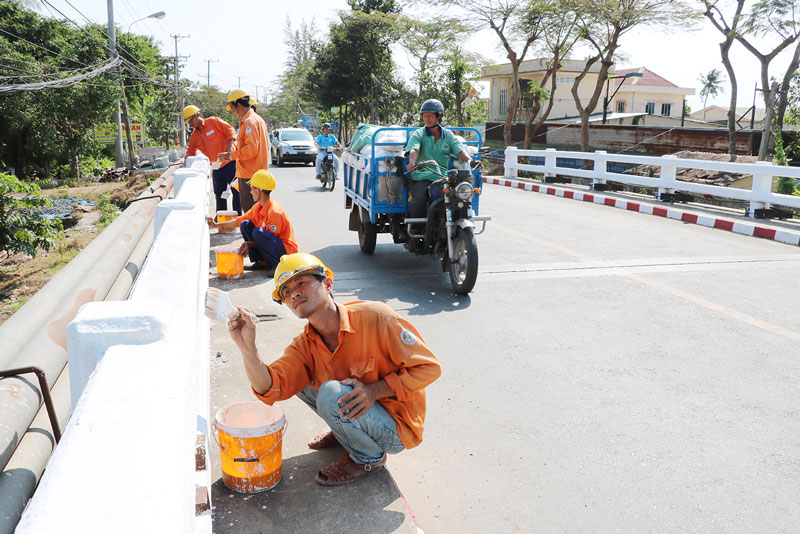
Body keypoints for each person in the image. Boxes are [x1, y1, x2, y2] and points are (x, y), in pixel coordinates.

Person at [226, 252, 441, 486]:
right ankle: (345, 432)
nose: (294, 293)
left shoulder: (376, 317)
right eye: (286, 292)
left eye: (301, 283)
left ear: (327, 283)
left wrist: (374, 391)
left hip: (396, 427)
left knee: (330, 392)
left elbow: (429, 367)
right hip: (362, 411)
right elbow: (269, 386)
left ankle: (367, 458)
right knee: (297, 380)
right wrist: (248, 349)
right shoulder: (305, 345)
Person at [404, 99, 471, 249]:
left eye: (430, 116)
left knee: (456, 198)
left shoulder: (448, 135)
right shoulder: (419, 134)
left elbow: (460, 151)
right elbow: (413, 150)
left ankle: (453, 228)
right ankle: (414, 234)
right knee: (420, 198)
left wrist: (470, 161)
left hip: (442, 178)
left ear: (439, 116)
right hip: (421, 177)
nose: (426, 119)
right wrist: (412, 162)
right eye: (424, 116)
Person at [207, 170, 297, 272]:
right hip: (273, 244)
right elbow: (239, 221)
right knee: (245, 225)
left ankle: (276, 265)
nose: (250, 192)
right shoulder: (258, 207)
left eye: (252, 188)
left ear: (259, 190)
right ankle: (261, 262)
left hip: (286, 251)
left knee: (258, 232)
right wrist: (216, 225)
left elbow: (270, 240)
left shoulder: (274, 212)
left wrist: (249, 244)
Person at [217, 89, 270, 213]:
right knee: (260, 211)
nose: (234, 113)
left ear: (239, 105)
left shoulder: (249, 122)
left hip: (250, 175)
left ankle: (252, 233)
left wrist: (230, 156)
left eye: (233, 109)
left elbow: (251, 150)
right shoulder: (257, 119)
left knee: (251, 211)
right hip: (257, 172)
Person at [183, 105, 241, 215]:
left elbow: (230, 130)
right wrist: (184, 164)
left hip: (230, 163)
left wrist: (228, 150)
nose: (190, 123)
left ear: (198, 115)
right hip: (216, 166)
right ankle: (220, 216)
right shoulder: (194, 136)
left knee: (236, 190)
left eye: (191, 120)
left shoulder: (214, 122)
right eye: (188, 121)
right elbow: (190, 152)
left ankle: (237, 215)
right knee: (219, 193)